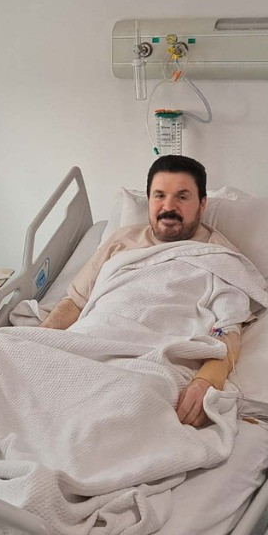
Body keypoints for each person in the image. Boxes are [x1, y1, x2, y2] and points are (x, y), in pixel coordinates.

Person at [41, 154, 250, 427]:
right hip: (89, 340)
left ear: (202, 204)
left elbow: (228, 331)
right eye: (159, 196)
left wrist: (207, 380)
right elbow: (75, 302)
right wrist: (38, 339)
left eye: (182, 197)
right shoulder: (121, 240)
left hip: (151, 359)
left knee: (123, 407)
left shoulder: (221, 258)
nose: (168, 207)